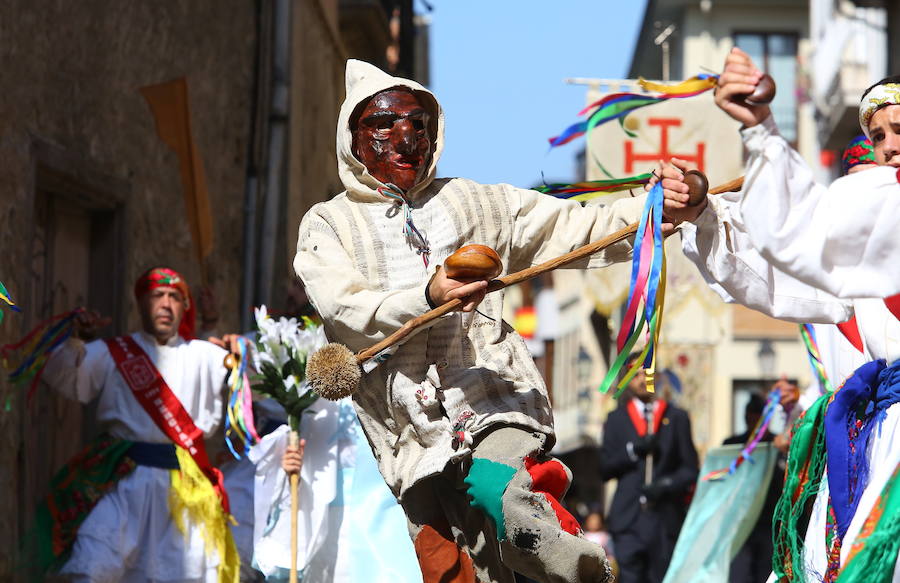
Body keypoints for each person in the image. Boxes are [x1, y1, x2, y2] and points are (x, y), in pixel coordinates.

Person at [292, 60, 704, 583]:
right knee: (456, 569)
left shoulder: (477, 201)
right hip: (408, 434)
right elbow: (342, 306)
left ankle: (576, 567)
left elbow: (575, 227)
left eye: (419, 124)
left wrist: (656, 209)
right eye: (385, 124)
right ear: (353, 137)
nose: (406, 137)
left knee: (500, 489)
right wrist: (428, 293)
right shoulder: (329, 223)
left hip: (489, 398)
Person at [667, 48, 900, 581]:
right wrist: (705, 212)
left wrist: (763, 133)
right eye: (878, 136)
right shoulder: (860, 258)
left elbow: (805, 228)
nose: (888, 149)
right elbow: (779, 267)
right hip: (875, 445)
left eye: (899, 131)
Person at [35, 267, 238, 583]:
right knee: (92, 565)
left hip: (184, 487)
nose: (166, 304)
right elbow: (62, 377)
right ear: (140, 302)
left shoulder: (203, 354)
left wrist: (239, 347)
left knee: (186, 573)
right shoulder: (113, 352)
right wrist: (75, 339)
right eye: (157, 295)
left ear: (185, 307)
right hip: (122, 479)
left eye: (174, 297)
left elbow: (245, 369)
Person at [599, 353, 699, 583]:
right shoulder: (616, 419)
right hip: (628, 520)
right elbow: (604, 469)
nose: (643, 380)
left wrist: (667, 485)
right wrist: (633, 451)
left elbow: (690, 469)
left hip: (664, 520)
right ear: (628, 380)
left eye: (648, 374)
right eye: (637, 375)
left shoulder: (676, 417)